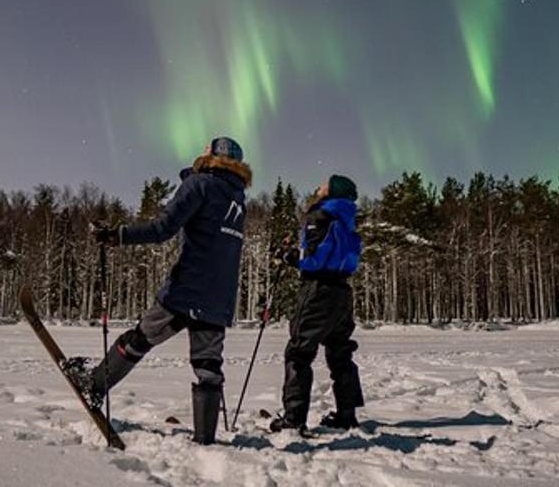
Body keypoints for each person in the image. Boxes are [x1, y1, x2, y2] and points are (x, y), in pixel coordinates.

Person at [72, 136, 252, 445]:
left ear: (214, 155)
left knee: (140, 338)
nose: (202, 153)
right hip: (220, 296)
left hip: (187, 289)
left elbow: (162, 229)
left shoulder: (201, 184)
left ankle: (95, 385)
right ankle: (205, 440)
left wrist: (118, 235)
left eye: (206, 149)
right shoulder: (238, 199)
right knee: (208, 365)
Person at [269, 174, 365, 433]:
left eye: (325, 184)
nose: (320, 186)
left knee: (298, 353)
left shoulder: (321, 216)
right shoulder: (347, 222)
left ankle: (293, 419)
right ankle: (347, 415)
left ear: (333, 192)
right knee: (340, 354)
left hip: (318, 291)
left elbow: (312, 258)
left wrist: (288, 256)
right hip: (342, 292)